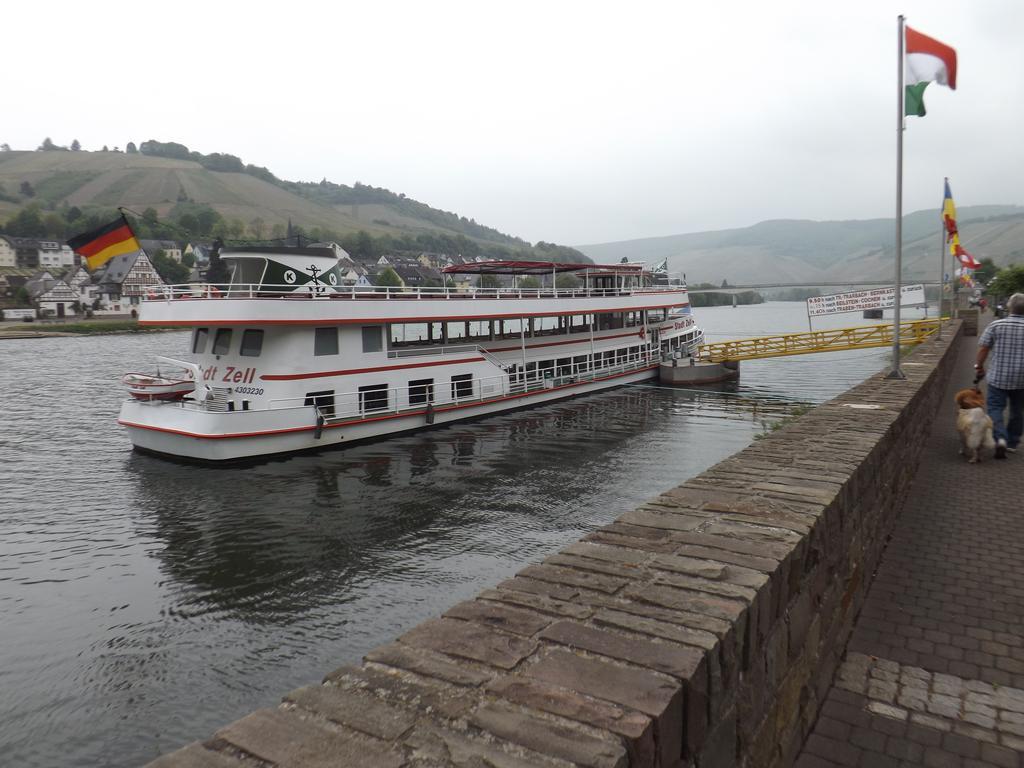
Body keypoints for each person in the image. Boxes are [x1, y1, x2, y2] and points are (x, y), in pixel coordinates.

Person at [976, 292, 1024, 458]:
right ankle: (1012, 443)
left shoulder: (996, 325)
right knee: (1018, 411)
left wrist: (979, 367)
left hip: (998, 377)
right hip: (1022, 380)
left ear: (1009, 307)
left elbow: (983, 348)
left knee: (995, 408)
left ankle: (1000, 438)